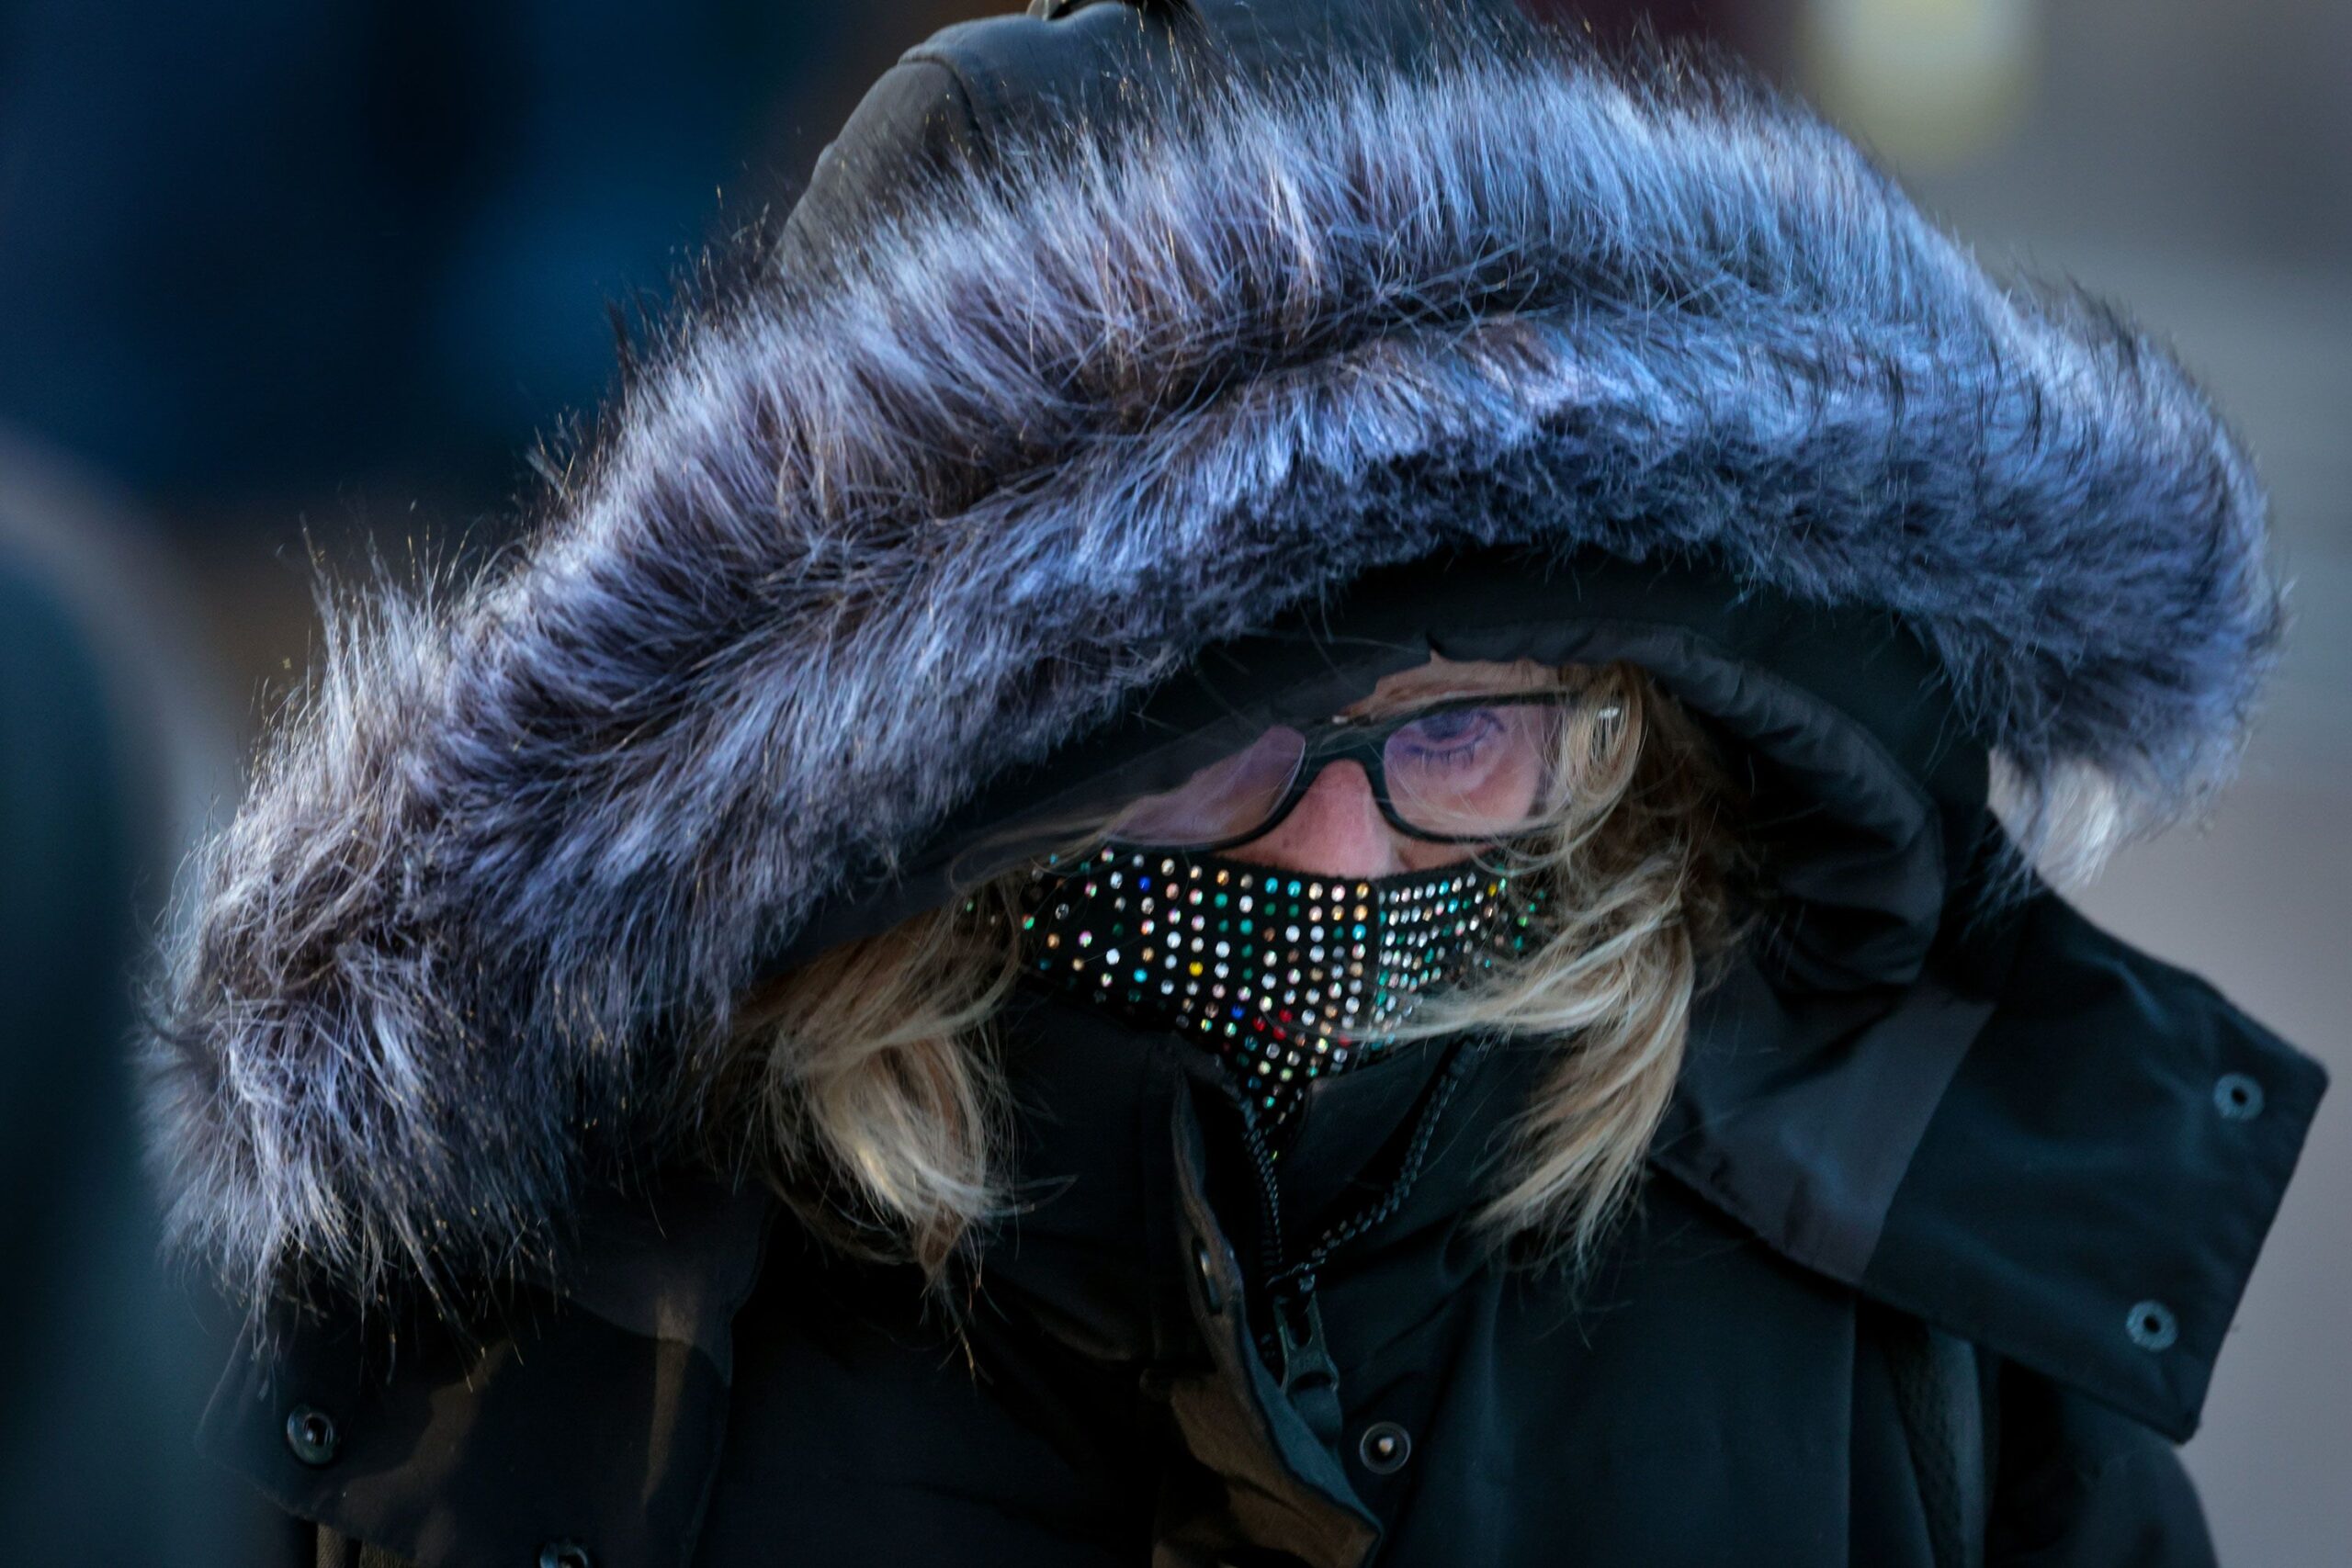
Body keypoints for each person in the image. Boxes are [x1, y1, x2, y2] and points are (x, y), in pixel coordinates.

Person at [141, 2, 2328, 1565]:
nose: (1340, 846)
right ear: (934, 783)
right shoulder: (523, 1321)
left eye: (1457, 734)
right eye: (1206, 753)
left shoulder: (1895, 1291)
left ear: (1627, 724)